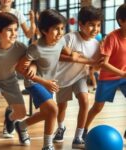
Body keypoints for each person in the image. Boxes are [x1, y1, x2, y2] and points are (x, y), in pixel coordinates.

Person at [15, 8, 96, 150]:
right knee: (53, 110)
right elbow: (20, 69)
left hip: (49, 83)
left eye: (62, 28)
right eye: (56, 29)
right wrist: (44, 82)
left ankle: (21, 125)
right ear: (44, 30)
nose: (60, 33)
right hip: (35, 83)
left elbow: (71, 53)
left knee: (47, 113)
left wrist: (81, 57)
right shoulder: (35, 48)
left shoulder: (59, 43)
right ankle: (47, 146)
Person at [0, 12, 37, 150]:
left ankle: (10, 119)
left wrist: (33, 65)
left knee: (21, 113)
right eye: (9, 30)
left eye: (16, 30)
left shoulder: (20, 48)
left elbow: (33, 59)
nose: (14, 33)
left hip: (10, 81)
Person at [52, 6, 102, 149]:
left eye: (98, 25)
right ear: (81, 24)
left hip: (80, 77)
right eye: (92, 25)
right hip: (62, 78)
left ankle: (78, 136)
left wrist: (100, 61)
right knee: (62, 107)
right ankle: (61, 127)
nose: (96, 29)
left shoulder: (96, 44)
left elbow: (95, 67)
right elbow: (57, 56)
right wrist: (76, 58)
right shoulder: (70, 37)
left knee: (85, 101)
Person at [83, 3, 126, 140]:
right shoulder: (112, 38)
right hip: (108, 78)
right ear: (121, 21)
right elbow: (103, 64)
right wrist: (122, 74)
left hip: (124, 77)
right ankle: (82, 131)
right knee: (97, 107)